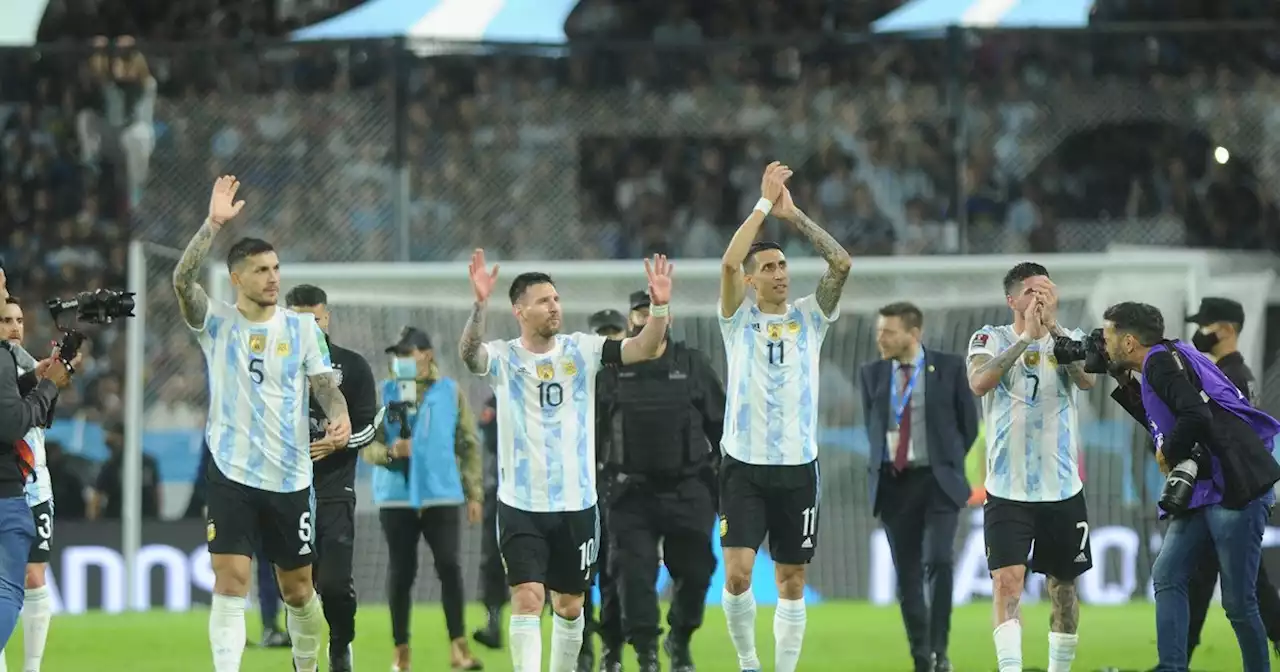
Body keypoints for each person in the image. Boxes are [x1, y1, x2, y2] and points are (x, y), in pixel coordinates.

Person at [458, 249, 673, 672]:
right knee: (527, 597)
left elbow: (646, 347)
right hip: (521, 503)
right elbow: (469, 354)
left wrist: (660, 307)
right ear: (520, 310)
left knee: (571, 605)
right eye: (543, 300)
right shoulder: (504, 357)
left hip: (577, 504)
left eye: (556, 299)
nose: (554, 306)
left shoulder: (584, 350)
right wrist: (480, 304)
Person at [173, 175, 351, 672]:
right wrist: (211, 225)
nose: (274, 278)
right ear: (237, 278)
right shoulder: (217, 322)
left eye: (276, 268)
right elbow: (181, 282)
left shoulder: (300, 329)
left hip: (289, 477)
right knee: (229, 583)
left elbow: (325, 389)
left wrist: (338, 417)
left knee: (299, 592)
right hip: (230, 472)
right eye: (261, 270)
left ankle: (309, 663)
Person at [716, 162, 851, 672]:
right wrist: (761, 207)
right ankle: (749, 662)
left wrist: (793, 216)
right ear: (752, 282)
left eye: (782, 267)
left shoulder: (810, 318)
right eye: (768, 269)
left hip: (798, 467)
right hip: (743, 466)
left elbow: (840, 264)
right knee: (739, 575)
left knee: (792, 579)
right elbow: (728, 266)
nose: (779, 274)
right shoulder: (736, 320)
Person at [1104, 301, 1280, 672]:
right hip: (1208, 486)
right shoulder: (1169, 355)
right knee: (1167, 573)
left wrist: (1169, 450)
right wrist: (1122, 381)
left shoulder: (1160, 362)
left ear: (1130, 341)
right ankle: (1171, 668)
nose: (1103, 343)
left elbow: (1195, 414)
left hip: (1233, 486)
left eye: (1107, 336)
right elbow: (1164, 416)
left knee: (1238, 602)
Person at [966, 262, 1096, 672]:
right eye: (1031, 291)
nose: (1039, 298)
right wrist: (1025, 337)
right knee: (1007, 582)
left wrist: (1053, 330)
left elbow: (1087, 381)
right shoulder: (991, 337)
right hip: (1008, 490)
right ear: (1011, 299)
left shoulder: (1070, 338)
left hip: (1061, 490)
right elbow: (979, 382)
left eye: (1046, 290)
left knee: (1063, 590)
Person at [597, 290, 725, 672]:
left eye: (655, 311)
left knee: (696, 570)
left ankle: (680, 637)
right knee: (633, 575)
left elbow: (722, 427)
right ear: (630, 322)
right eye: (640, 313)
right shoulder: (610, 370)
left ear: (667, 317)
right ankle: (646, 654)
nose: (648, 319)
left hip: (688, 487)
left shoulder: (692, 364)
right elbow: (592, 430)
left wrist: (723, 481)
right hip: (630, 491)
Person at [861, 301, 977, 672]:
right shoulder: (872, 374)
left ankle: (940, 649)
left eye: (889, 331)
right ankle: (920, 657)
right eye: (879, 330)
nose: (881, 337)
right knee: (907, 574)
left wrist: (948, 462)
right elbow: (874, 428)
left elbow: (968, 426)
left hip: (938, 482)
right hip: (895, 484)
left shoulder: (949, 367)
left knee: (939, 560)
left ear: (913, 334)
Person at [373, 326, 484, 671]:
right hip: (397, 495)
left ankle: (458, 647)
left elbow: (467, 443)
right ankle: (401, 651)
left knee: (450, 567)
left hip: (442, 492)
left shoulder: (450, 392)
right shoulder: (385, 392)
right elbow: (363, 443)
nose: (402, 359)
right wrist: (390, 452)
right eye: (398, 354)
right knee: (401, 572)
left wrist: (473, 492)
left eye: (409, 352)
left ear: (427, 354)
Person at [285, 284, 380, 672]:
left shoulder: (352, 367)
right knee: (296, 589)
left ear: (327, 319)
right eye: (299, 320)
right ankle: (303, 657)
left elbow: (369, 428)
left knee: (336, 585)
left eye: (315, 319)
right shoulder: (275, 365)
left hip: (334, 490)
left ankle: (340, 643)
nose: (309, 327)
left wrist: (337, 445)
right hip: (286, 491)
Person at [1185, 297, 1280, 661]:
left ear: (1225, 329)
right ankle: (1178, 660)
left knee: (1216, 584)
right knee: (1244, 583)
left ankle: (1178, 660)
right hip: (1233, 493)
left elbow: (1224, 436)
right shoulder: (1243, 373)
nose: (1199, 333)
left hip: (1228, 495)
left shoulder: (1228, 376)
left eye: (1204, 325)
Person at [0, 266, 71, 655]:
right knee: (7, 582)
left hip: (33, 485)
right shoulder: (4, 366)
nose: (13, 327)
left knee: (33, 576)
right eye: (6, 320)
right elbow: (15, 419)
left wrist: (51, 379)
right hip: (6, 483)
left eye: (19, 321)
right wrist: (44, 386)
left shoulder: (27, 363)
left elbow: (43, 418)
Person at [578, 308, 627, 672]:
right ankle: (581, 651)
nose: (610, 339)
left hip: (620, 492)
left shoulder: (638, 380)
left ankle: (611, 652)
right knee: (577, 577)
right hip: (579, 491)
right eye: (603, 334)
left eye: (615, 332)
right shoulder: (576, 380)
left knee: (614, 576)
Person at [472, 394, 506, 652]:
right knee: (492, 558)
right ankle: (493, 622)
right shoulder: (497, 398)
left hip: (543, 493)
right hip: (501, 487)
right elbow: (491, 440)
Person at [87, 420, 161, 520]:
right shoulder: (110, 466)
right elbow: (97, 495)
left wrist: (157, 515)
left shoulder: (147, 463)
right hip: (117, 518)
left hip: (145, 516)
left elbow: (156, 492)